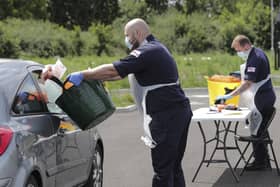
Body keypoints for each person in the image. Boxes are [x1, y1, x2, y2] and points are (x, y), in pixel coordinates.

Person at [65, 18, 193, 187]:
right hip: (177, 113)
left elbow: (113, 70)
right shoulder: (158, 47)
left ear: (138, 33)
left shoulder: (146, 51)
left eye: (127, 36)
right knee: (173, 168)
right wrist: (94, 76)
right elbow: (119, 74)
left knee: (163, 171)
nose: (126, 40)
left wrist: (82, 74)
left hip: (166, 116)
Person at [216, 34, 276, 170]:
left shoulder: (255, 58)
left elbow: (248, 83)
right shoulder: (257, 52)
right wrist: (237, 74)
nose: (238, 53)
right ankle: (263, 160)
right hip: (265, 96)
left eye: (238, 50)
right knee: (260, 129)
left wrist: (229, 96)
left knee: (256, 130)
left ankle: (260, 162)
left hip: (262, 98)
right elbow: (252, 74)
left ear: (246, 46)